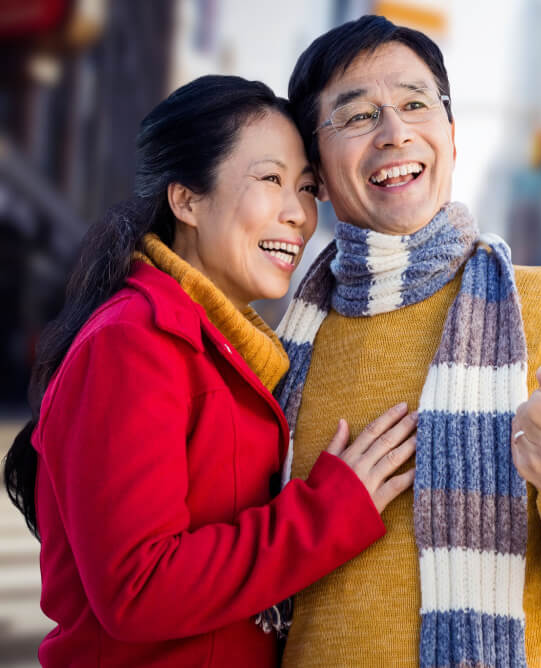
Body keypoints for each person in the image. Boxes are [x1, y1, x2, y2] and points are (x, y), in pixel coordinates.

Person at [270, 15, 541, 667]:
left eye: (415, 104)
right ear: (315, 164)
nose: (395, 133)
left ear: (450, 136)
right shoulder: (286, 345)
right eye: (358, 115)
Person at [2, 75, 418, 667]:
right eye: (270, 179)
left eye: (304, 187)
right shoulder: (132, 342)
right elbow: (137, 587)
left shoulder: (227, 349)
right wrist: (331, 512)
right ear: (187, 200)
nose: (298, 212)